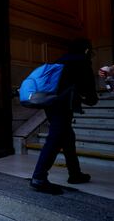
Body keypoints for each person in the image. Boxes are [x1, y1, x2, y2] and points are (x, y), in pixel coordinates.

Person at [30, 38, 98, 195]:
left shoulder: (61, 60)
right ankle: (39, 177)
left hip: (50, 102)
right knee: (55, 138)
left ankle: (75, 174)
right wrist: (89, 99)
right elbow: (91, 96)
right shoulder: (82, 61)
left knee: (67, 137)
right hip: (62, 104)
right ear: (86, 50)